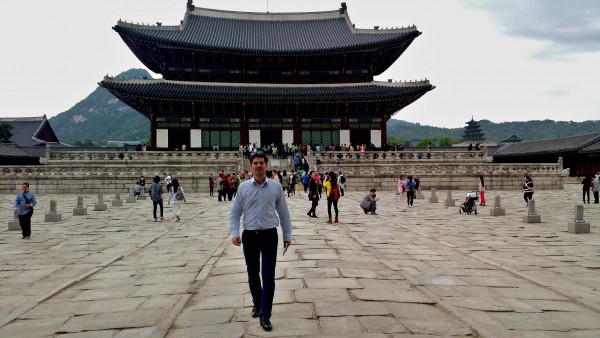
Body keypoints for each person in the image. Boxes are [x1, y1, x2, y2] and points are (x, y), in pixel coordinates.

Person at [229, 153, 293, 332]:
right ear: (251, 166)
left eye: (261, 163)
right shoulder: (243, 188)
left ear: (266, 165)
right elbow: (235, 213)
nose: (258, 166)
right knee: (252, 273)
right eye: (255, 163)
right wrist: (235, 232)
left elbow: (284, 213)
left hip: (269, 235)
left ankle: (265, 314)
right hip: (249, 235)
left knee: (268, 275)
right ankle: (257, 303)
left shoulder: (276, 187)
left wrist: (287, 235)